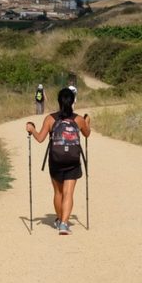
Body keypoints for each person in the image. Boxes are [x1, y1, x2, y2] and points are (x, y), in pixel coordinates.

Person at [26, 87, 90, 235]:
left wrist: (31, 129)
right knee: (68, 193)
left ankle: (59, 218)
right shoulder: (78, 119)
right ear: (73, 101)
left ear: (59, 101)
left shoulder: (50, 119)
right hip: (73, 161)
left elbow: (40, 139)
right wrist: (87, 121)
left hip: (56, 160)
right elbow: (87, 134)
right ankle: (63, 224)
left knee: (58, 192)